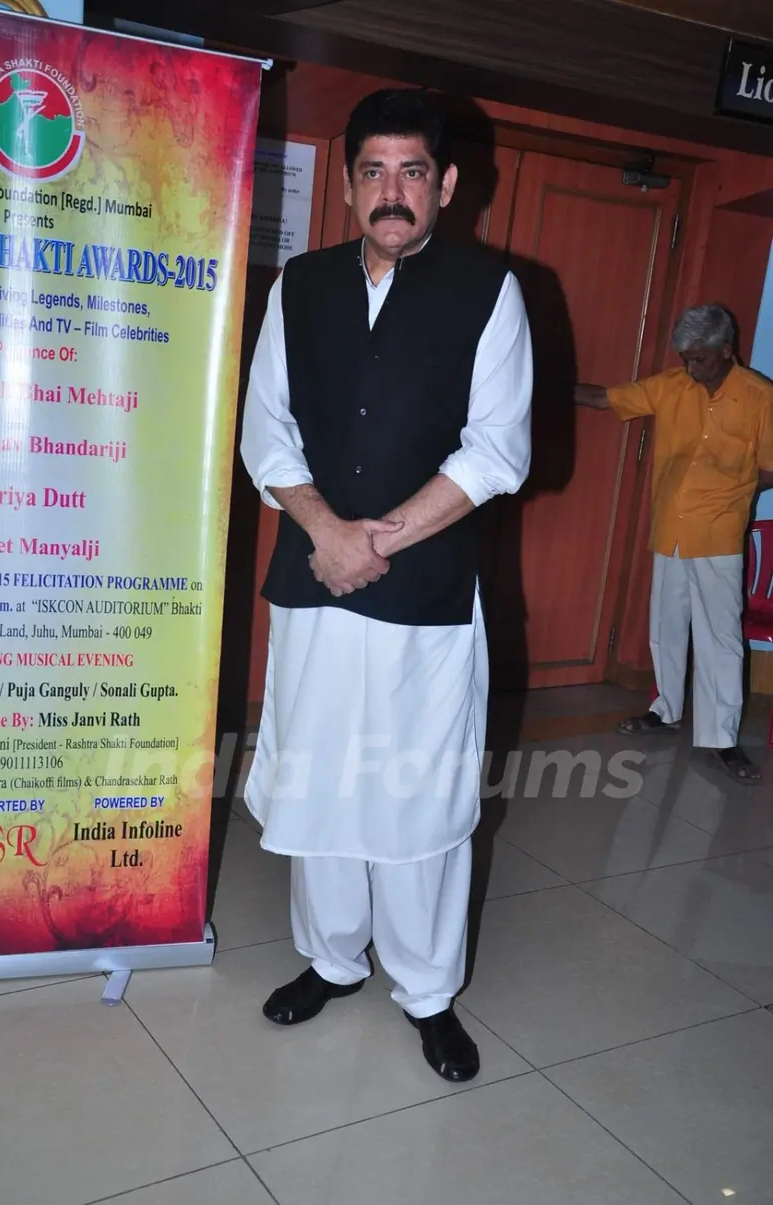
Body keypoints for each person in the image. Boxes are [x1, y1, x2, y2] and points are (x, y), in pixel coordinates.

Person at [240, 89, 532, 1082]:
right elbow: (264, 431)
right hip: (315, 578)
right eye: (373, 171)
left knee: (417, 799)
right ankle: (329, 958)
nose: (392, 191)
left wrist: (384, 538)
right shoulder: (300, 287)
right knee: (322, 779)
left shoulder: (490, 291)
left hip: (427, 600)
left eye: (414, 171)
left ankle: (426, 989)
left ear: (445, 185)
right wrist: (325, 529)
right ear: (348, 181)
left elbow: (496, 449)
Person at [577, 304, 773, 784]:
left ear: (728, 350)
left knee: (720, 640)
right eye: (686, 357)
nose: (691, 367)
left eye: (700, 358)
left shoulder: (760, 397)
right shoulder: (670, 386)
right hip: (670, 529)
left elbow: (770, 466)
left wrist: (733, 492)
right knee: (666, 625)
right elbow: (605, 398)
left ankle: (721, 739)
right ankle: (666, 711)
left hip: (718, 535)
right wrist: (539, 382)